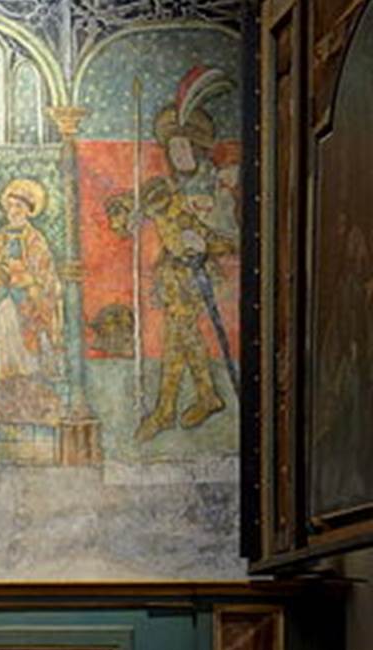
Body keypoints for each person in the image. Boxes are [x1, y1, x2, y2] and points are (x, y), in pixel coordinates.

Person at [107, 67, 240, 441]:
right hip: (171, 278)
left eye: (185, 147)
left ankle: (166, 410)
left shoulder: (217, 187)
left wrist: (206, 243)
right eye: (174, 148)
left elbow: (232, 238)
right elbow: (128, 207)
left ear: (199, 148)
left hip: (196, 276)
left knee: (178, 337)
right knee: (181, 337)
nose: (179, 154)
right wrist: (128, 217)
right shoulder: (163, 188)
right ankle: (206, 396)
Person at [0, 177, 64, 424]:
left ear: (29, 210)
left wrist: (24, 278)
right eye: (10, 206)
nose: (13, 211)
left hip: (24, 306)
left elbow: (45, 278)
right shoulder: (0, 238)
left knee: (18, 350)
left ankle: (23, 402)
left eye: (19, 207)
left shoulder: (35, 240)